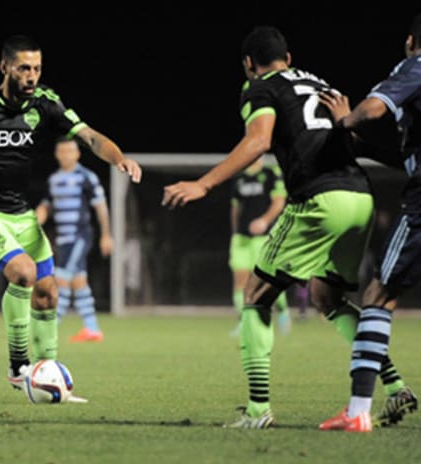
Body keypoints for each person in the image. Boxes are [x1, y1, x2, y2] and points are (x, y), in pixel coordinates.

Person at [161, 26, 413, 429]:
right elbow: (357, 144)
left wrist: (203, 183)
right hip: (360, 197)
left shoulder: (261, 87)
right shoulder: (321, 85)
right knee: (326, 296)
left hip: (320, 199)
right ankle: (395, 384)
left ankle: (259, 411)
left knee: (256, 294)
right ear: (289, 58)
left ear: (248, 64)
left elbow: (259, 141)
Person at [0, 35, 141, 395]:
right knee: (23, 273)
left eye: (36, 69)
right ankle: (19, 367)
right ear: (5, 68)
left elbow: (90, 136)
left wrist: (119, 157)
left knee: (48, 292)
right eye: (24, 69)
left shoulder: (47, 104)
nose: (31, 76)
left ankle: (47, 371)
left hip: (19, 213)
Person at [317, 14, 421, 432]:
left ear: (410, 40)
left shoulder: (416, 63)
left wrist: (347, 121)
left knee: (378, 295)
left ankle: (358, 410)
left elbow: (375, 108)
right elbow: (402, 152)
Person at [35, 137, 111, 343]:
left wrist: (106, 234)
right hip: (63, 239)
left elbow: (100, 207)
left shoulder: (86, 177)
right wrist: (37, 219)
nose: (66, 155)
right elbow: (46, 205)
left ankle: (50, 327)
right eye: (62, 151)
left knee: (60, 279)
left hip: (80, 236)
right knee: (78, 282)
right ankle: (92, 329)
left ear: (77, 154)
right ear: (57, 154)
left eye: (70, 151)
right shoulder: (54, 179)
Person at [227, 157, 290, 337]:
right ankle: (244, 323)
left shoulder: (271, 173)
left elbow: (279, 202)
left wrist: (264, 221)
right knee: (240, 281)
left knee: (265, 281)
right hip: (241, 239)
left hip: (264, 238)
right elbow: (235, 209)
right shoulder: (238, 178)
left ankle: (282, 309)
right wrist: (234, 233)